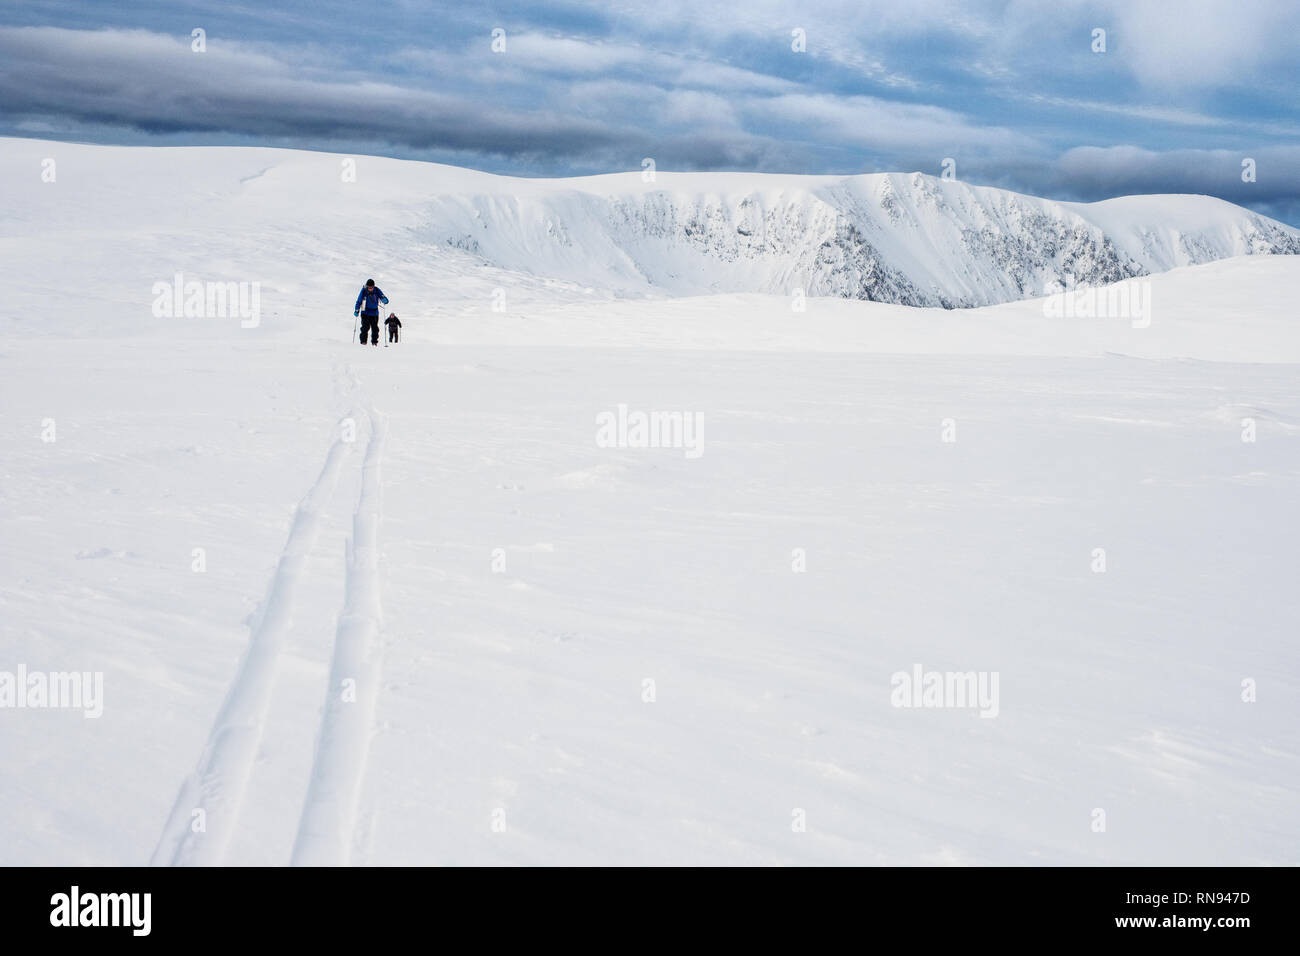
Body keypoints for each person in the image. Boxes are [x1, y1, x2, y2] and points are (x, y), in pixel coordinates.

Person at [353, 279, 388, 346]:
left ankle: (374, 342)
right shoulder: (363, 291)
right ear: (367, 286)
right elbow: (359, 301)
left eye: (372, 287)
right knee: (365, 327)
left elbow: (383, 297)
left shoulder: (377, 290)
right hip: (365, 312)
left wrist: (385, 300)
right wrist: (356, 310)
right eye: (369, 287)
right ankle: (363, 342)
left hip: (374, 313)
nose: (370, 289)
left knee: (375, 328)